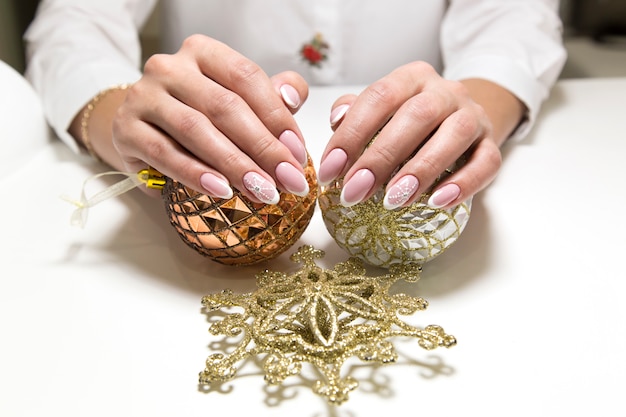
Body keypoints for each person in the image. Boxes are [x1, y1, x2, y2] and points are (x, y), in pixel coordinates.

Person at [24, 0, 566, 210]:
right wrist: (118, 118)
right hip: (200, 172)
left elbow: (514, 17)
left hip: (418, 156)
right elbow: (74, 21)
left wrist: (473, 114)